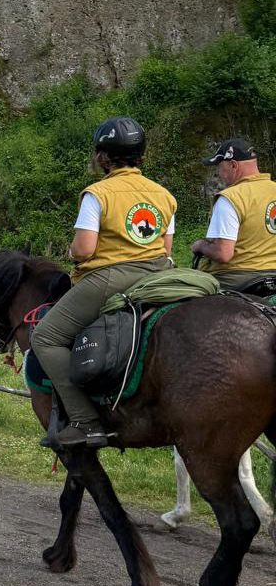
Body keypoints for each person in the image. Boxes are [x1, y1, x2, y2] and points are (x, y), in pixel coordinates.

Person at [33, 117, 176, 448]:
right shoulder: (164, 195)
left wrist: (71, 251)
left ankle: (85, 421)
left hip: (112, 277)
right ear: (141, 155)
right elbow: (165, 248)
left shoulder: (97, 194)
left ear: (103, 157)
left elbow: (84, 250)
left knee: (46, 336)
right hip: (159, 273)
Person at [192, 137, 276, 290]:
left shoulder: (231, 197)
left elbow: (223, 253)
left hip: (236, 278)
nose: (218, 172)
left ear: (233, 165)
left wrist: (201, 245)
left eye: (219, 166)